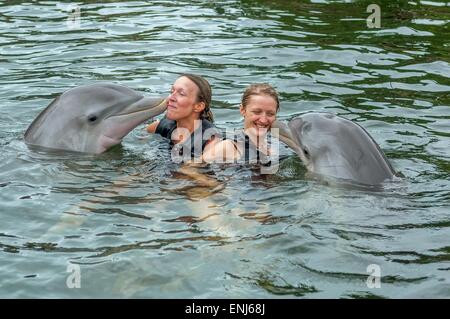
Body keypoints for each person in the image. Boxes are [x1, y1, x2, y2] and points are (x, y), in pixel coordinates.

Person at [147, 74, 220, 162]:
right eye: (171, 91)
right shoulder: (159, 127)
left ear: (199, 106)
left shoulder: (212, 142)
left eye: (181, 94)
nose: (171, 98)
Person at [202, 83, 280, 166]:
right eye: (257, 112)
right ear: (242, 110)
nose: (263, 120)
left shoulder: (275, 145)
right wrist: (209, 179)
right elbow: (189, 169)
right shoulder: (227, 147)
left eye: (270, 114)